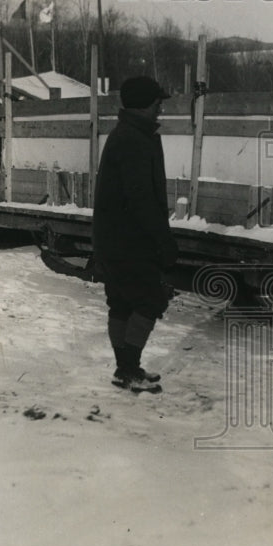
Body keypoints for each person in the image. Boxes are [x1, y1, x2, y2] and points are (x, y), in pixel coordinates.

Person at [92, 76, 178, 393]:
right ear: (144, 104)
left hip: (115, 239)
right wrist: (164, 243)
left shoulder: (127, 135)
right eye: (157, 103)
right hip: (131, 242)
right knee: (149, 301)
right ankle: (128, 370)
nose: (160, 109)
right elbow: (142, 200)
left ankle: (124, 369)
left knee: (122, 304)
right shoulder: (134, 140)